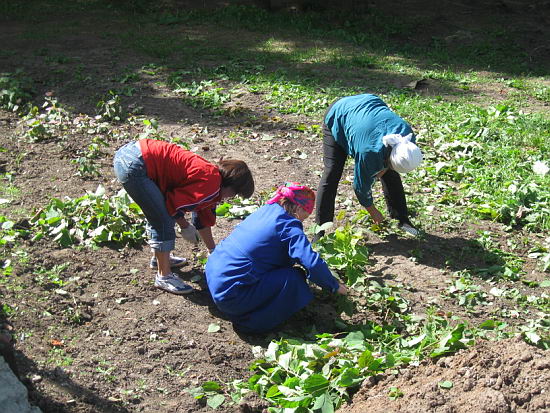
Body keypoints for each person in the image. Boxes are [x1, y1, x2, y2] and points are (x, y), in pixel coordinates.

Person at [113, 139, 254, 295]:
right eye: (234, 194)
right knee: (163, 219)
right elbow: (172, 204)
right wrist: (185, 226)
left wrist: (212, 250)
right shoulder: (211, 185)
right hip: (136, 165)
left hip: (133, 153)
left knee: (157, 210)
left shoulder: (212, 178)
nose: (230, 198)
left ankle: (159, 259)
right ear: (231, 185)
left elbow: (203, 218)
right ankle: (164, 276)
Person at [205, 182, 348, 334]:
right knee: (294, 278)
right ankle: (252, 324)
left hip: (213, 275)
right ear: (299, 209)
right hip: (231, 295)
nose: (304, 221)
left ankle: (241, 305)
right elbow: (311, 262)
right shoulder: (288, 226)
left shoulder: (267, 209)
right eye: (306, 216)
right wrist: (334, 285)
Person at [315, 93, 423, 238]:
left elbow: (389, 164)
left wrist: (385, 168)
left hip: (368, 106)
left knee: (391, 173)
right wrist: (373, 211)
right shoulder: (369, 153)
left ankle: (402, 220)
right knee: (332, 172)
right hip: (339, 113)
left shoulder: (406, 138)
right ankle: (319, 232)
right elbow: (360, 186)